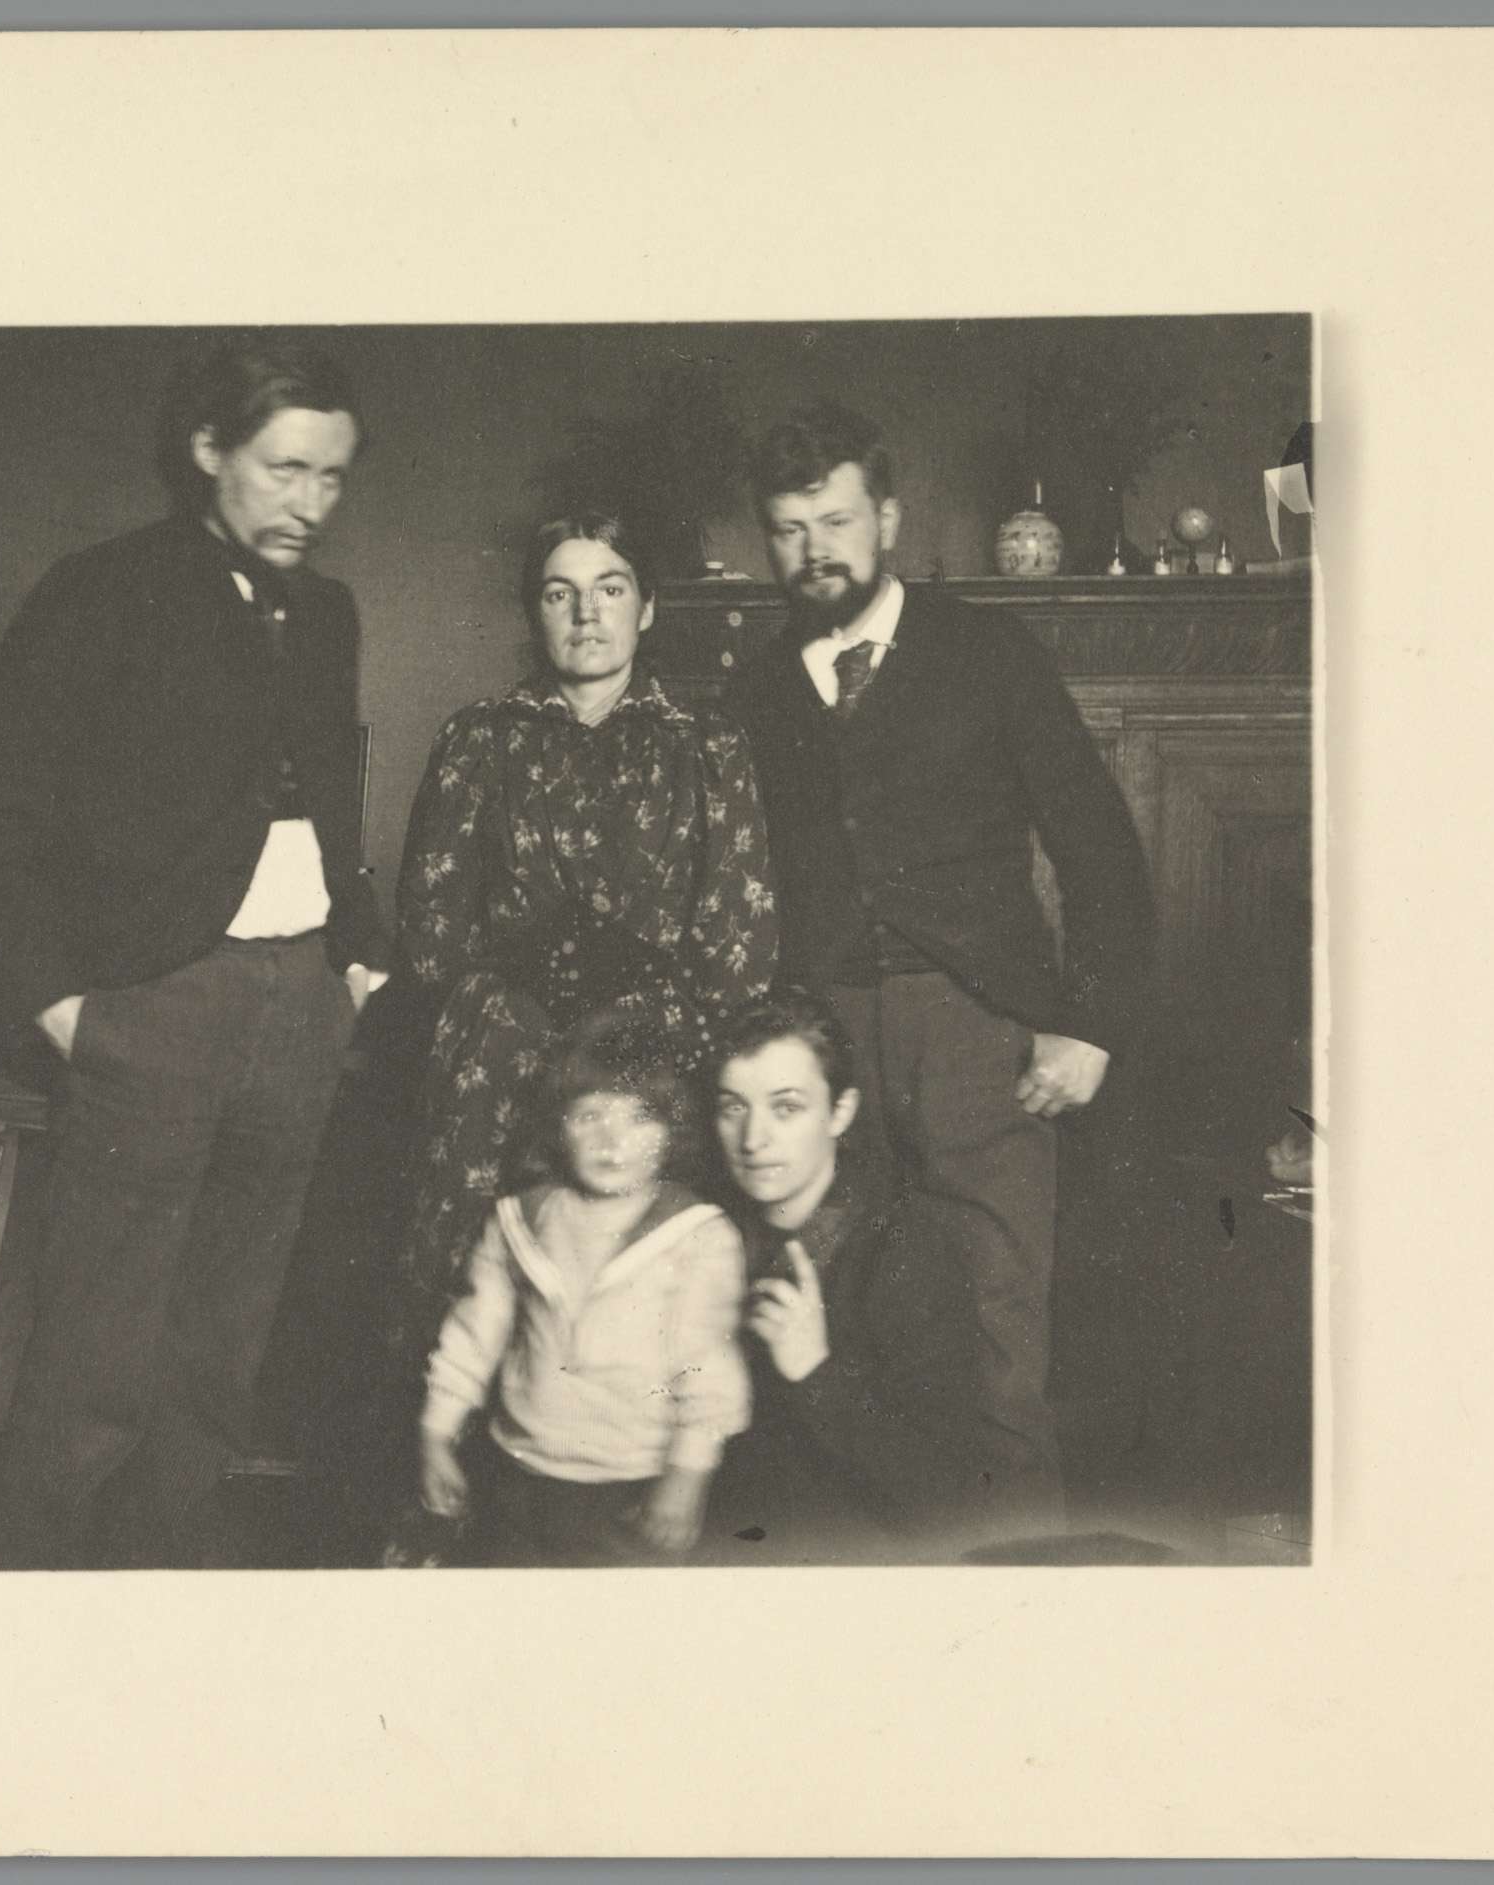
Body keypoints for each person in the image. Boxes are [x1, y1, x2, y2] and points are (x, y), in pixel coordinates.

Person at [0, 337, 385, 1569]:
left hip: (300, 1008)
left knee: (217, 1363)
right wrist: (62, 1009)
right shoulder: (101, 591)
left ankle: (156, 1617)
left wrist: (355, 963)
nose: (310, 503)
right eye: (284, 468)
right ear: (207, 451)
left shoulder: (327, 613)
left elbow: (323, 800)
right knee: (94, 1366)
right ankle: (23, 1616)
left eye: (332, 476)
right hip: (153, 1007)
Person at [726, 402, 1155, 1535]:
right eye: (788, 529)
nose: (814, 550)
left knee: (999, 1338)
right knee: (829, 1328)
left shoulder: (987, 652)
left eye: (835, 521)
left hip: (978, 1038)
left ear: (888, 519)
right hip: (824, 1050)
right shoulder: (758, 687)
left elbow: (1100, 848)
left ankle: (1022, 1581)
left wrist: (1090, 1024)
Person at [395, 511, 777, 1349]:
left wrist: (645, 1011)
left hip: (651, 1051)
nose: (586, 614)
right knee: (472, 1303)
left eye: (609, 589)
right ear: (535, 611)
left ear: (647, 606)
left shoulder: (706, 745)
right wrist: (513, 988)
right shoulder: (479, 738)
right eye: (559, 593)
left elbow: (740, 939)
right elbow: (429, 930)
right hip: (502, 1044)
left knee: (635, 1306)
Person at [417, 1017, 749, 1566]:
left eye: (639, 1117)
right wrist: (436, 1433)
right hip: (517, 1471)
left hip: (634, 1485)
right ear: (559, 1125)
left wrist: (687, 1476)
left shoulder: (698, 1236)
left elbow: (709, 1371)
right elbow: (472, 1337)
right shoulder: (519, 1220)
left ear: (673, 1130)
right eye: (590, 1115)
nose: (611, 1140)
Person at [704, 989, 1001, 1563]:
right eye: (733, 1107)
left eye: (786, 1108)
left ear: (840, 1112)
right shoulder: (709, 1229)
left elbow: (947, 1496)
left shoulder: (905, 1249)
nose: (753, 1140)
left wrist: (815, 1373)